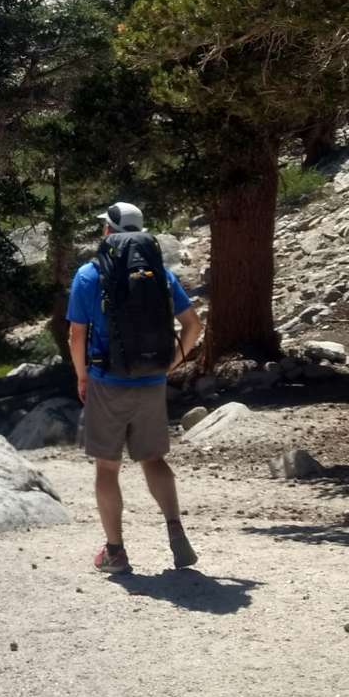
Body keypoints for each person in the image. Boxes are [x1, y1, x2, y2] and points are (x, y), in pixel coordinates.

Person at [67, 201, 202, 574]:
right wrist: (171, 364)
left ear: (108, 231)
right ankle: (175, 529)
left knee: (107, 468)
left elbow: (76, 334)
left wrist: (81, 376)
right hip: (151, 382)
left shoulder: (89, 275)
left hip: (106, 381)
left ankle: (115, 552)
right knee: (153, 460)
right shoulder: (160, 274)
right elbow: (193, 325)